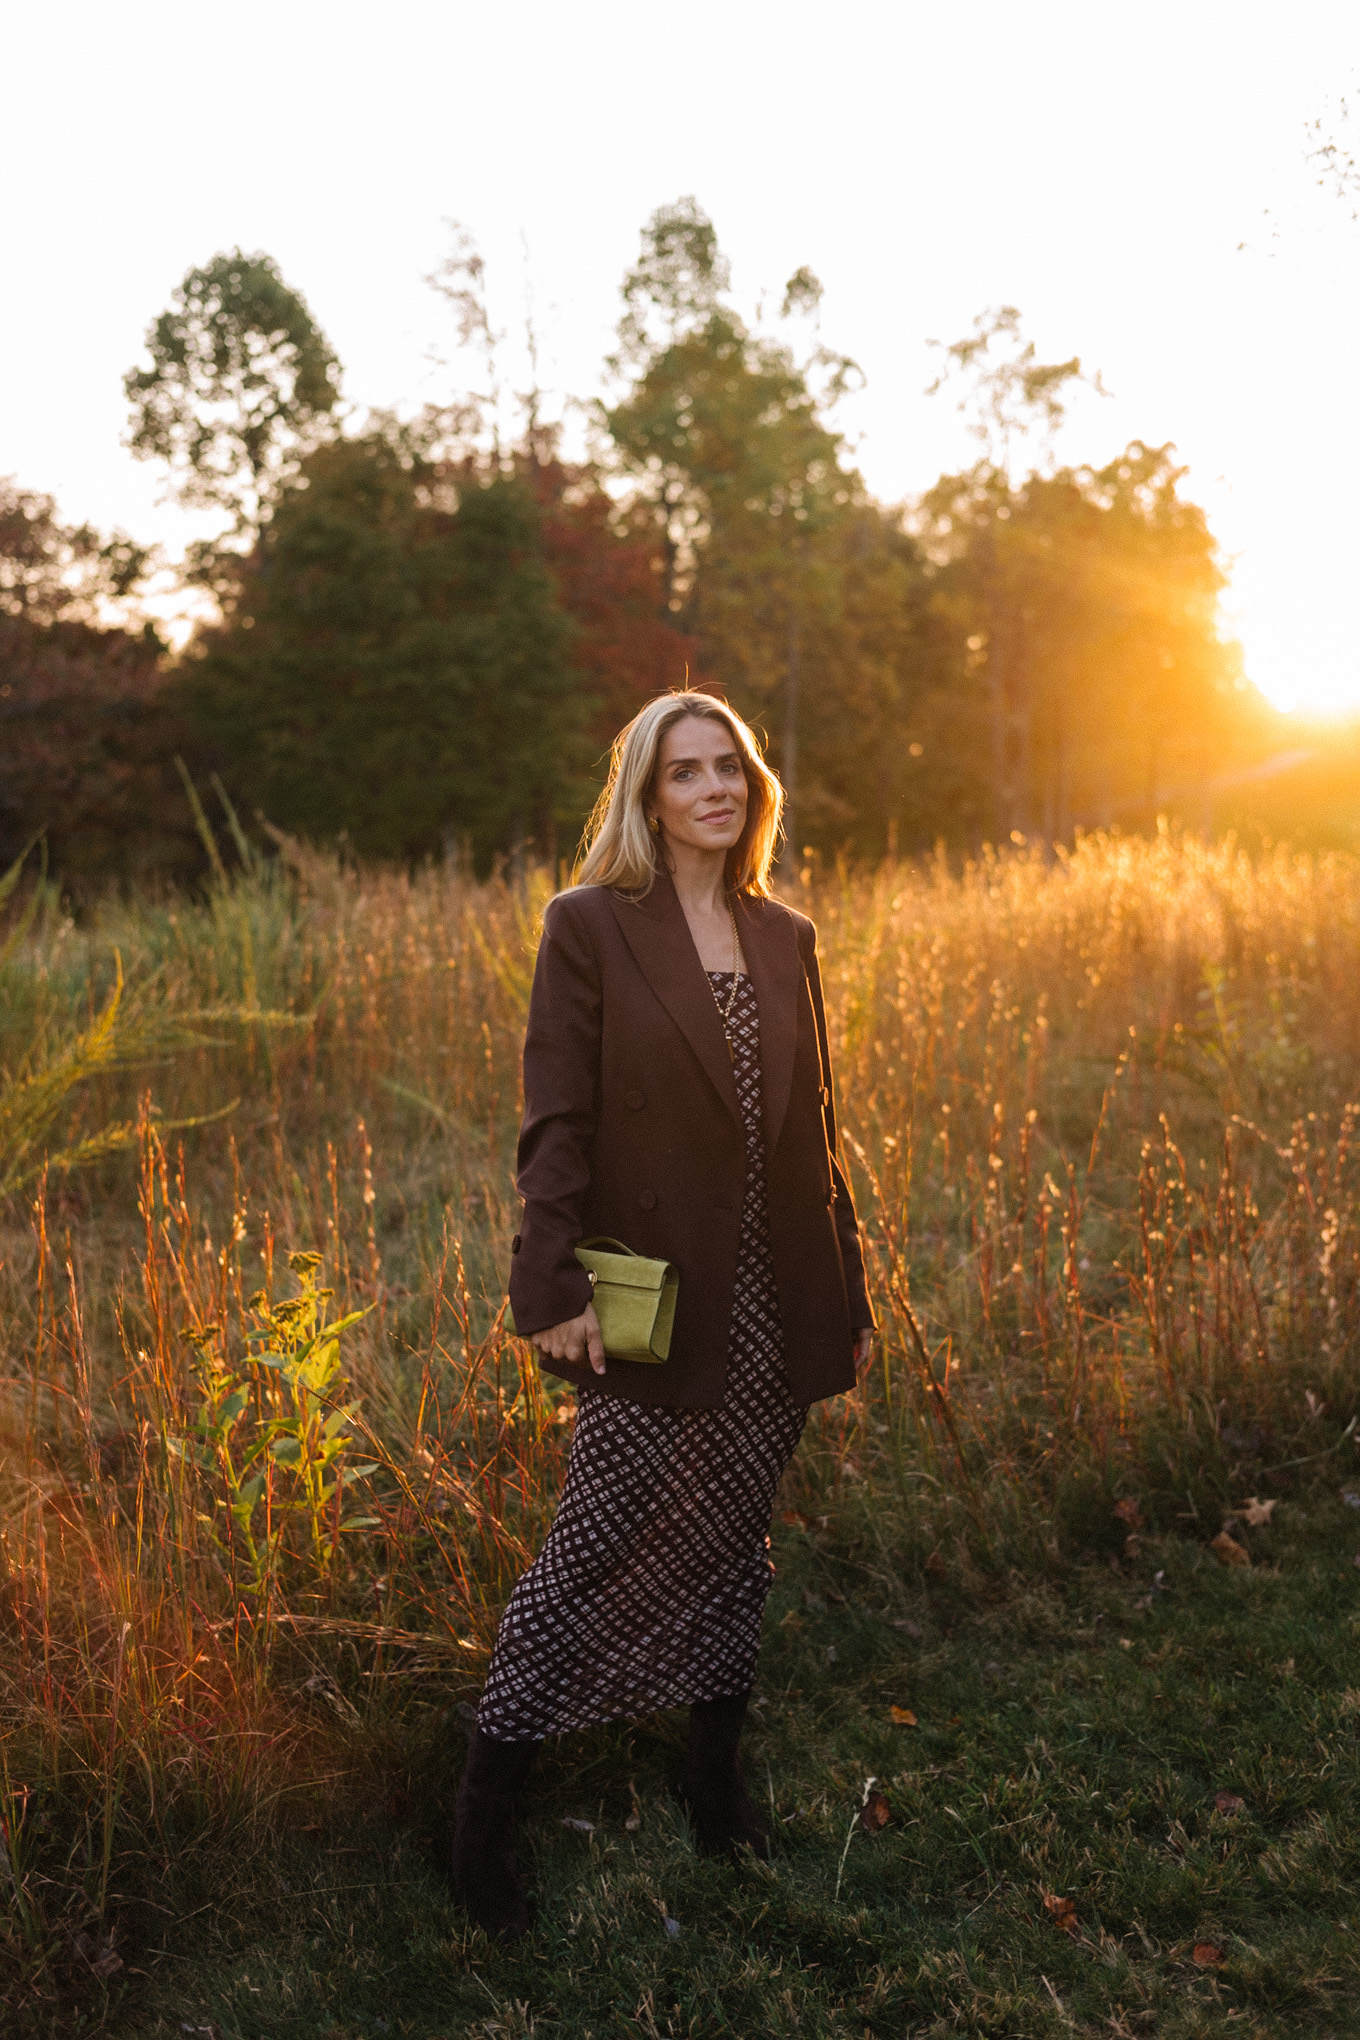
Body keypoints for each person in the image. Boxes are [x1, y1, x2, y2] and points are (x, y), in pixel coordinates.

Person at [445, 689, 873, 1937]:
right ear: (645, 797)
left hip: (778, 1297)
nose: (713, 789)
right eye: (684, 772)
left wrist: (846, 1294)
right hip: (652, 1299)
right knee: (587, 1551)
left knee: (732, 1546)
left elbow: (818, 1136)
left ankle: (713, 1783)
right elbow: (555, 1119)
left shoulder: (785, 934)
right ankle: (481, 1828)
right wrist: (549, 1288)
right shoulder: (589, 926)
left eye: (727, 767)